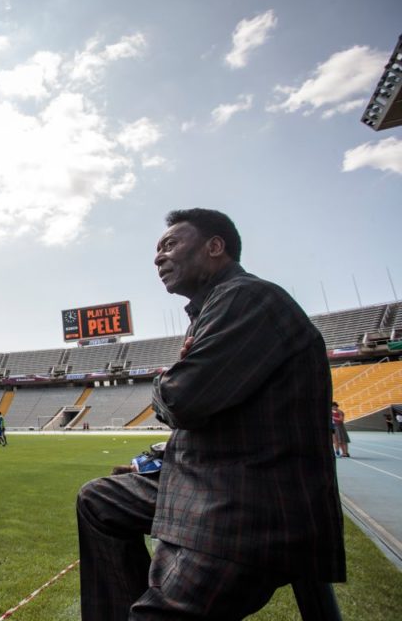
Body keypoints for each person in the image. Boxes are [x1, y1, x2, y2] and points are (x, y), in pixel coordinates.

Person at [75, 208, 345, 620]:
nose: (158, 258)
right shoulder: (216, 307)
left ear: (215, 247)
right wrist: (156, 463)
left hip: (248, 506)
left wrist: (163, 382)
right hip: (217, 483)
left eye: (170, 245)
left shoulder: (248, 297)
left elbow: (184, 400)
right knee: (99, 500)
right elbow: (222, 416)